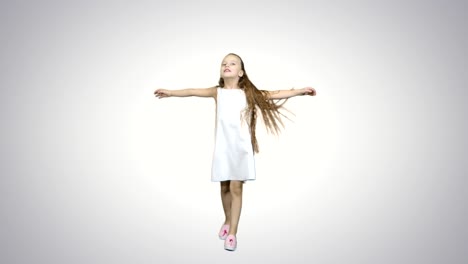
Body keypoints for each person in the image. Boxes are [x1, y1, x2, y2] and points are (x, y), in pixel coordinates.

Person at [154, 53, 316, 251]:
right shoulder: (217, 92)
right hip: (223, 147)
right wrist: (170, 92)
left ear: (241, 72)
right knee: (223, 187)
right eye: (224, 63)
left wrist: (300, 91)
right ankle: (227, 219)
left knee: (236, 188)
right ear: (221, 71)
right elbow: (191, 90)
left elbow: (274, 93)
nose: (227, 65)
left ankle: (233, 233)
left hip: (240, 149)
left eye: (232, 63)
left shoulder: (248, 93)